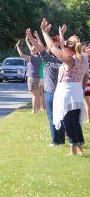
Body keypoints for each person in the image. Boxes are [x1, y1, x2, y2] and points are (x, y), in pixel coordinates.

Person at [40, 18, 88, 155]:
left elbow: (53, 47)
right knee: (75, 122)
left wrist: (44, 32)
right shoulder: (83, 58)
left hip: (67, 93)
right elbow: (64, 47)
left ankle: (73, 150)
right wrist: (62, 37)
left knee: (68, 122)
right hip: (77, 92)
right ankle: (79, 149)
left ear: (69, 49)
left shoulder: (69, 60)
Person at [26, 29, 65, 146]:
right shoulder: (64, 60)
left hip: (51, 93)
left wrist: (32, 38)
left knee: (52, 117)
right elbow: (60, 47)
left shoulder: (48, 59)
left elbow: (39, 48)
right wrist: (61, 35)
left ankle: (55, 141)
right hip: (62, 92)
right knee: (61, 117)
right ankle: (62, 139)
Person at [16, 38, 42, 113]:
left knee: (34, 95)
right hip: (37, 78)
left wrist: (18, 46)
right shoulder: (39, 57)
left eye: (32, 50)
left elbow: (21, 55)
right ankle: (37, 109)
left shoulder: (33, 58)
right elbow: (31, 47)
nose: (31, 51)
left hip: (32, 78)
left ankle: (34, 110)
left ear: (35, 51)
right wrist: (27, 40)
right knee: (37, 95)